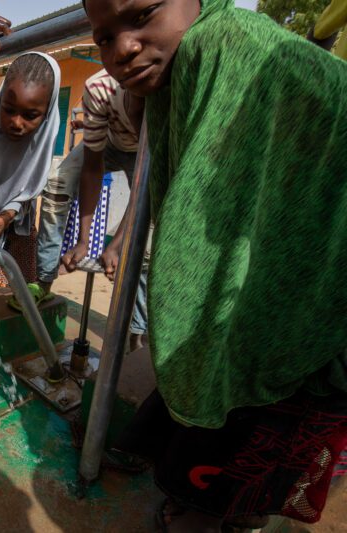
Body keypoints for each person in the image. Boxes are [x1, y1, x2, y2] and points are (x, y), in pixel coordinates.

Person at [83, 0, 347, 531]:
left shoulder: (222, 42)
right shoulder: (171, 71)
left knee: (242, 408)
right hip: (290, 286)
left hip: (313, 291)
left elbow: (198, 249)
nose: (123, 48)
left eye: (142, 15)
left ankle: (224, 513)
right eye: (104, 37)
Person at [35, 67, 148, 349]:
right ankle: (44, 280)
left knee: (150, 237)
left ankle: (136, 328)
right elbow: (92, 168)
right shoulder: (100, 89)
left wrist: (115, 246)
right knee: (58, 182)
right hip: (108, 144)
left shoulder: (169, 98)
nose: (138, 123)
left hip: (147, 154)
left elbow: (146, 194)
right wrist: (83, 241)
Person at [0, 52, 61, 293]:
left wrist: (8, 215)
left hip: (20, 221)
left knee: (12, 292)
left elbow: (29, 188)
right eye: (8, 110)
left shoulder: (42, 139)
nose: (16, 123)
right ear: (0, 100)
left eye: (30, 116)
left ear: (47, 113)